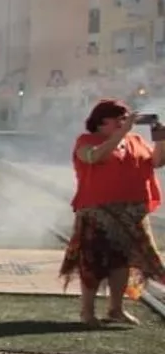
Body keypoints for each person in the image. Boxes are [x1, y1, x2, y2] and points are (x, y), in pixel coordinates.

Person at [61, 99, 165, 327]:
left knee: (122, 262)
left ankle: (115, 309)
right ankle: (87, 312)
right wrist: (121, 134)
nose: (123, 122)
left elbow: (156, 161)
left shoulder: (135, 141)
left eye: (125, 118)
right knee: (93, 262)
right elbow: (94, 157)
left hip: (131, 212)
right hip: (98, 211)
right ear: (101, 121)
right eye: (118, 118)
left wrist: (161, 139)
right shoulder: (86, 140)